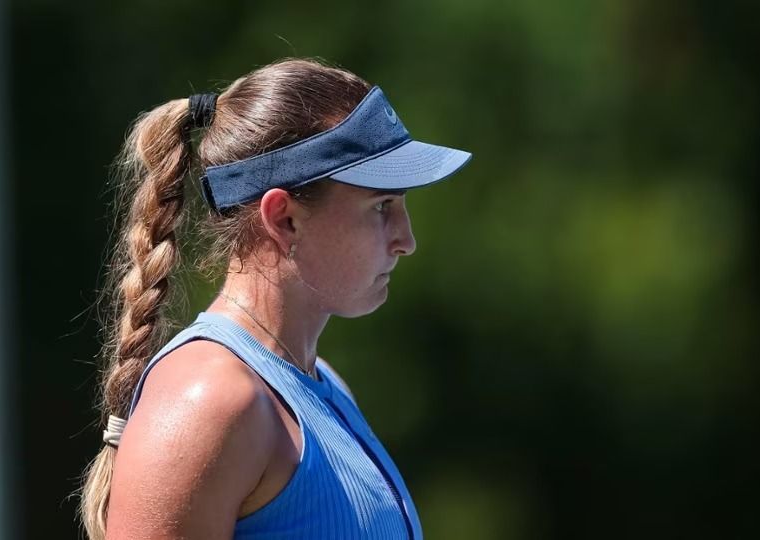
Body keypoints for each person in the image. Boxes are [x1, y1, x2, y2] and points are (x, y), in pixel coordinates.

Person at [79, 58, 472, 540]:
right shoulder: (210, 401)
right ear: (284, 218)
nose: (406, 239)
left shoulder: (324, 383)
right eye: (381, 206)